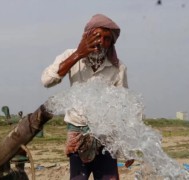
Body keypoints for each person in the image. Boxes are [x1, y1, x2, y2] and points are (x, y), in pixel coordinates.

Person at [41, 14, 131, 180]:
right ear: (87, 36)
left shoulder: (118, 68)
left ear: (111, 43)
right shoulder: (71, 56)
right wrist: (78, 55)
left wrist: (127, 147)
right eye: (97, 36)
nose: (101, 42)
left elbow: (123, 107)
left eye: (107, 39)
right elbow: (47, 80)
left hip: (107, 135)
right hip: (78, 133)